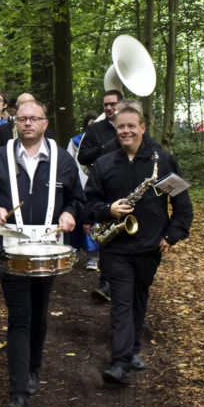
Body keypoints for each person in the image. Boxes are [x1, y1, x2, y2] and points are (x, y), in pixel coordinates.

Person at [0, 99, 85, 407]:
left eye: (34, 119)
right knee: (20, 317)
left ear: (45, 124)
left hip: (48, 250)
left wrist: (69, 213)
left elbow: (79, 200)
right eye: (22, 119)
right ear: (15, 122)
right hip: (11, 249)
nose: (28, 124)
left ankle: (33, 369)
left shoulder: (63, 160)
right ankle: (18, 393)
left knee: (39, 314)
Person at [84, 100, 193, 385]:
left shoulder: (163, 161)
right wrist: (109, 210)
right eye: (121, 127)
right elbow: (88, 204)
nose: (126, 131)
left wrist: (172, 235)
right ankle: (120, 363)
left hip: (150, 246)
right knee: (121, 301)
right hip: (116, 247)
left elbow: (182, 204)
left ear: (143, 128)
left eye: (132, 126)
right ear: (115, 129)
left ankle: (131, 351)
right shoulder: (105, 162)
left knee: (138, 300)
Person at [77, 89, 124, 300]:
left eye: (112, 104)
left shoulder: (129, 126)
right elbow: (82, 156)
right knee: (107, 234)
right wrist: (103, 149)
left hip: (128, 184)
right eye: (105, 104)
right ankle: (105, 283)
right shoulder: (95, 129)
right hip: (103, 186)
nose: (108, 108)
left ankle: (125, 282)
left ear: (121, 105)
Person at [67, 111, 99, 269]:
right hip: (78, 183)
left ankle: (93, 256)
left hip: (95, 186)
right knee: (75, 217)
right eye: (89, 123)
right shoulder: (75, 142)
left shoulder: (102, 141)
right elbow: (69, 162)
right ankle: (73, 251)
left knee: (92, 219)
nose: (92, 126)